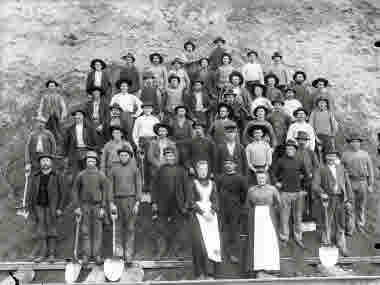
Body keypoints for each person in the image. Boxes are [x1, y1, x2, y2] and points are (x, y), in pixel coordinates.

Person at [72, 150, 111, 265]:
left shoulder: (101, 175)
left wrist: (103, 207)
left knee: (98, 231)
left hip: (97, 206)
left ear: (96, 162)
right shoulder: (81, 175)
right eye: (89, 161)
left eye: (93, 161)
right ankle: (86, 255)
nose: (90, 163)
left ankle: (97, 255)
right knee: (85, 231)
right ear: (86, 162)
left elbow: (105, 191)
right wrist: (77, 206)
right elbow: (75, 191)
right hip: (85, 206)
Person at [312, 147, 353, 256]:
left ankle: (342, 245)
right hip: (327, 199)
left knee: (341, 222)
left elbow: (347, 185)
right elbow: (315, 185)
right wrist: (322, 193)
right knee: (327, 221)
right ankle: (326, 244)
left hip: (340, 198)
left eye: (333, 156)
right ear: (325, 157)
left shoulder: (341, 168)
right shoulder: (320, 169)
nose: (331, 158)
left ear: (336, 157)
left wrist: (349, 199)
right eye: (329, 156)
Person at [151, 147, 189, 258]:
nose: (169, 158)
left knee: (179, 228)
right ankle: (161, 250)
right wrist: (154, 202)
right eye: (167, 156)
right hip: (163, 203)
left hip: (178, 204)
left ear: (175, 157)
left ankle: (178, 251)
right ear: (164, 157)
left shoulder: (181, 171)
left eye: (171, 155)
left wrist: (186, 202)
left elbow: (187, 188)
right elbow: (154, 187)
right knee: (161, 228)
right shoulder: (160, 170)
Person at [26, 153, 64, 263]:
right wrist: (30, 207)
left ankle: (52, 255)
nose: (45, 163)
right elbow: (30, 193)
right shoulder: (35, 176)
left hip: (52, 207)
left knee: (52, 230)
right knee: (41, 231)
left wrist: (60, 208)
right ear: (40, 163)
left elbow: (63, 193)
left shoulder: (57, 176)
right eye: (43, 161)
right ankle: (42, 254)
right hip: (39, 207)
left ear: (51, 163)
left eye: (47, 160)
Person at [271, 139, 309, 247]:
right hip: (285, 193)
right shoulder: (281, 161)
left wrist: (304, 189)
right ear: (285, 150)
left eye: (292, 148)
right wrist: (276, 183)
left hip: (298, 193)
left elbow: (307, 175)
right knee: (284, 216)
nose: (289, 150)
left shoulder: (299, 160)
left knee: (297, 216)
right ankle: (284, 237)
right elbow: (273, 173)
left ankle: (298, 237)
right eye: (287, 148)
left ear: (295, 150)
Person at [188, 160, 222, 279]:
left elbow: (216, 201)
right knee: (200, 244)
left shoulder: (213, 184)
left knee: (212, 243)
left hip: (211, 218)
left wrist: (211, 212)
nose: (203, 172)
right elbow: (191, 202)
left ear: (208, 171)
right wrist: (203, 213)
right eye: (200, 169)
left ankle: (210, 272)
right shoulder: (192, 183)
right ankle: (200, 272)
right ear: (197, 171)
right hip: (198, 217)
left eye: (205, 169)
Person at [244, 171, 281, 278]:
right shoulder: (251, 190)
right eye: (259, 178)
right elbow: (247, 205)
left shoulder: (272, 189)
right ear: (256, 179)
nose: (261, 180)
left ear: (266, 178)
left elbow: (279, 204)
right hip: (256, 217)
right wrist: (252, 214)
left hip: (269, 216)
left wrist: (273, 213)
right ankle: (258, 267)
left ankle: (271, 267)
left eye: (263, 178)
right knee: (257, 241)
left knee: (270, 241)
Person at [109, 145, 142, 261]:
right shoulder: (113, 169)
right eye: (121, 155)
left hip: (131, 200)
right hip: (117, 201)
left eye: (126, 155)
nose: (123, 157)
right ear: (119, 156)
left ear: (130, 156)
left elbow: (138, 186)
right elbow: (110, 187)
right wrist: (111, 203)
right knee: (117, 227)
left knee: (130, 228)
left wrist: (137, 202)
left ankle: (128, 253)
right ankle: (119, 252)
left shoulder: (135, 169)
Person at [341, 133, 374, 233]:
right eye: (353, 142)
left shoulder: (365, 154)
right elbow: (341, 170)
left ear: (360, 143)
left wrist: (370, 184)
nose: (355, 144)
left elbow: (370, 169)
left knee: (361, 205)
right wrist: (343, 184)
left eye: (357, 142)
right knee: (349, 205)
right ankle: (350, 227)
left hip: (362, 182)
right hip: (350, 181)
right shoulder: (345, 154)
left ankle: (360, 224)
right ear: (349, 143)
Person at [217, 160, 248, 263]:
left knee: (234, 231)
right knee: (222, 231)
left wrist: (240, 207)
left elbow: (244, 195)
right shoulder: (220, 178)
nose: (228, 166)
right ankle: (221, 253)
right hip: (222, 208)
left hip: (235, 209)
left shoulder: (240, 178)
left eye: (231, 163)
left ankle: (234, 254)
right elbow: (216, 192)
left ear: (235, 165)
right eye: (226, 164)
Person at [63, 107, 98, 184]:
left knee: (88, 174)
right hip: (74, 152)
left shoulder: (90, 128)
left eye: (79, 115)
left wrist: (93, 152)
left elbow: (95, 142)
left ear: (83, 116)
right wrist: (65, 156)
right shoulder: (70, 129)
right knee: (75, 175)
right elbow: (66, 144)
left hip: (87, 152)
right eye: (76, 115)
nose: (77, 117)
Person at [294, 131, 320, 219]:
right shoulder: (294, 152)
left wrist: (313, 175)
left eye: (304, 140)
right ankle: (300, 216)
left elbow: (316, 166)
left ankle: (312, 216)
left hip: (309, 179)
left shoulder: (311, 152)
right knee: (299, 199)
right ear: (297, 141)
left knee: (311, 198)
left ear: (306, 141)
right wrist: (297, 175)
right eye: (300, 140)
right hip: (297, 180)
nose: (302, 142)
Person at [147, 123, 177, 192]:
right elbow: (150, 156)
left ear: (167, 132)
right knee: (156, 186)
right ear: (157, 132)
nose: (161, 133)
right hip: (156, 167)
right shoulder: (153, 143)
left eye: (163, 131)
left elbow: (176, 157)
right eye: (160, 131)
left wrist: (168, 164)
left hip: (168, 167)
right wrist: (158, 164)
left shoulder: (171, 144)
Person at [267, 97, 292, 162]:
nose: (277, 106)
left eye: (279, 105)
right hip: (273, 140)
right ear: (273, 106)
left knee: (283, 158)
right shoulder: (270, 116)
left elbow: (290, 127)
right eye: (275, 105)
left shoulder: (286, 116)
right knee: (273, 158)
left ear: (282, 106)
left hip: (283, 140)